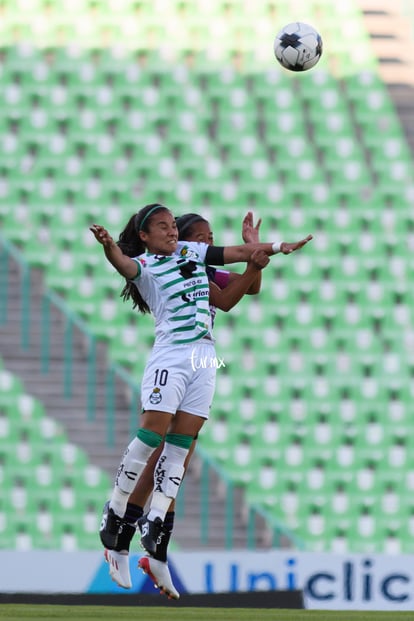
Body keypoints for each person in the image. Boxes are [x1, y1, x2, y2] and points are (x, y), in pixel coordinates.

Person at [90, 203, 312, 597]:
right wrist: (110, 247)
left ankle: (154, 545)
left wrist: (261, 251)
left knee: (180, 451)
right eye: (202, 237)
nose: (207, 242)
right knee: (155, 447)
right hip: (175, 355)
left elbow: (241, 287)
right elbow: (129, 266)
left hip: (203, 358)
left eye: (208, 238)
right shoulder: (171, 266)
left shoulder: (197, 263)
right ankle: (121, 524)